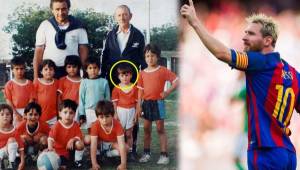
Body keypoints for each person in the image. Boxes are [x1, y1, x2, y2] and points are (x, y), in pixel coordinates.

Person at [181, 0, 299, 169]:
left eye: (251, 34)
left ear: (267, 41)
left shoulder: (259, 63)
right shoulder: (293, 73)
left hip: (266, 154)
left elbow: (222, 53)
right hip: (288, 154)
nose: (244, 37)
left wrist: (195, 23)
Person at [101, 4, 145, 155]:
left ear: (130, 16)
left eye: (125, 14)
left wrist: (143, 78)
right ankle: (117, 146)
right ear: (115, 17)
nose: (122, 17)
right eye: (119, 15)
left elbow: (142, 59)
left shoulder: (138, 35)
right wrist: (103, 75)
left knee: (132, 114)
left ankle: (132, 149)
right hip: (113, 79)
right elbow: (105, 56)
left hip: (131, 81)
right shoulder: (110, 35)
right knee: (115, 113)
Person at [137, 44, 178, 165]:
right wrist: (139, 105)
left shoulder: (163, 70)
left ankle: (164, 155)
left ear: (158, 57)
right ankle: (146, 153)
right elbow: (140, 90)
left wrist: (167, 92)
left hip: (158, 103)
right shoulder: (142, 73)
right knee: (146, 129)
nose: (150, 58)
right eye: (147, 56)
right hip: (146, 104)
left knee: (160, 129)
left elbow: (176, 81)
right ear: (145, 58)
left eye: (153, 56)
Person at [33, 0, 88, 80]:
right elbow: (38, 52)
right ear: (52, 10)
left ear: (68, 9)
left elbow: (84, 53)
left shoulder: (79, 26)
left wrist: (86, 74)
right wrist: (35, 76)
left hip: (72, 71)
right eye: (57, 9)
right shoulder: (45, 25)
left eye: (63, 9)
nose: (60, 12)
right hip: (49, 72)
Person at [112, 63, 139, 161]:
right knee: (120, 134)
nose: (124, 78)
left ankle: (130, 151)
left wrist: (136, 115)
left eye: (127, 75)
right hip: (120, 112)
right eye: (122, 75)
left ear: (131, 75)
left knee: (129, 134)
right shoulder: (116, 88)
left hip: (131, 112)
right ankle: (120, 152)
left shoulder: (135, 88)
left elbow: (137, 104)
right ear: (118, 76)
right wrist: (115, 114)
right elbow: (114, 103)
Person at [89, 100, 127, 170]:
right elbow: (94, 144)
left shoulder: (117, 125)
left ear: (112, 115)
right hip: (100, 143)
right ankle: (97, 155)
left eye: (107, 116)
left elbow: (121, 144)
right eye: (101, 117)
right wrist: (94, 164)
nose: (104, 120)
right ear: (97, 117)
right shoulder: (95, 125)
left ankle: (107, 154)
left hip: (112, 144)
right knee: (88, 140)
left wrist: (123, 164)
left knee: (126, 148)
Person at [48, 99, 84, 169]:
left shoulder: (75, 124)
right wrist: (50, 149)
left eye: (71, 113)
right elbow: (50, 139)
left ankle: (78, 161)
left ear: (74, 114)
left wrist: (73, 139)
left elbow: (79, 136)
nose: (68, 115)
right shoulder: (57, 125)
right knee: (63, 167)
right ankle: (66, 163)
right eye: (65, 112)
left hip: (70, 150)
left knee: (80, 144)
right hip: (59, 152)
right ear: (60, 113)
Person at [78, 57, 110, 129]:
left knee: (101, 130)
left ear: (99, 69)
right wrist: (82, 114)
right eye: (90, 68)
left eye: (95, 68)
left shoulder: (104, 81)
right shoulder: (84, 82)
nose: (93, 70)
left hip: (101, 111)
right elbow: (81, 99)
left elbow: (107, 98)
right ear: (86, 70)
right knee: (91, 132)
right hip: (88, 111)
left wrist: (107, 110)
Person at [4, 57, 34, 125]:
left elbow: (31, 99)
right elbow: (9, 101)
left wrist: (26, 112)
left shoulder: (29, 83)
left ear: (24, 69)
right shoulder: (9, 84)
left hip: (28, 111)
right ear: (12, 70)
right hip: (14, 111)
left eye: (21, 69)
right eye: (16, 69)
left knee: (27, 130)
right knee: (16, 131)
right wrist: (16, 114)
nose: (19, 71)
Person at [33, 59, 59, 126]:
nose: (48, 71)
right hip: (39, 115)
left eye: (51, 69)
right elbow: (33, 99)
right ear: (41, 71)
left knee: (52, 135)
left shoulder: (57, 82)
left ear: (54, 71)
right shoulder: (37, 82)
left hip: (53, 116)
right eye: (46, 69)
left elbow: (58, 99)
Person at [0, 104, 25, 170]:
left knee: (12, 140)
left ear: (11, 117)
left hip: (10, 153)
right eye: (2, 114)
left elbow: (21, 148)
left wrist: (22, 162)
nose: (5, 116)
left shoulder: (15, 131)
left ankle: (10, 166)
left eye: (7, 114)